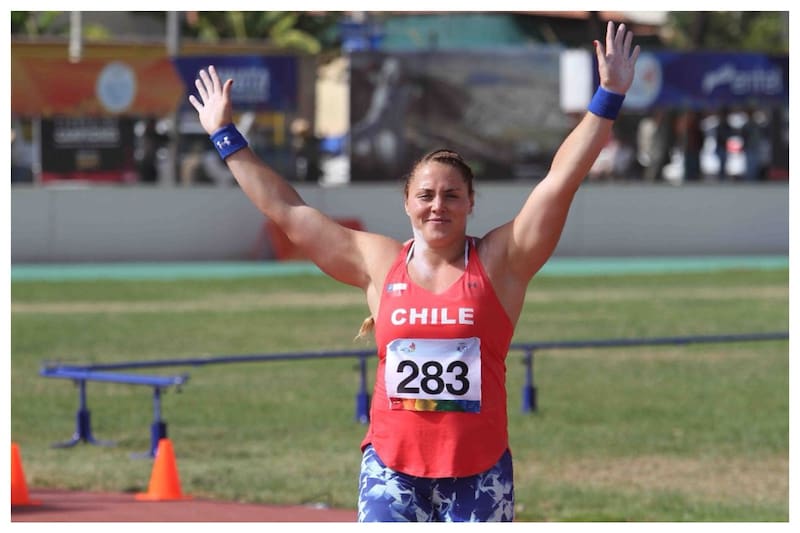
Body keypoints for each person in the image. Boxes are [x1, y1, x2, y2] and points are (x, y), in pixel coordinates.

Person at [189, 21, 639, 523]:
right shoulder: (378, 262)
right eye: (425, 195)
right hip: (391, 469)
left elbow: (560, 182)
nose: (437, 206)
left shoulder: (501, 261)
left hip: (479, 472)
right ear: (407, 204)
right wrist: (224, 134)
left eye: (451, 195)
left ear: (471, 202)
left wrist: (609, 97)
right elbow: (289, 213)